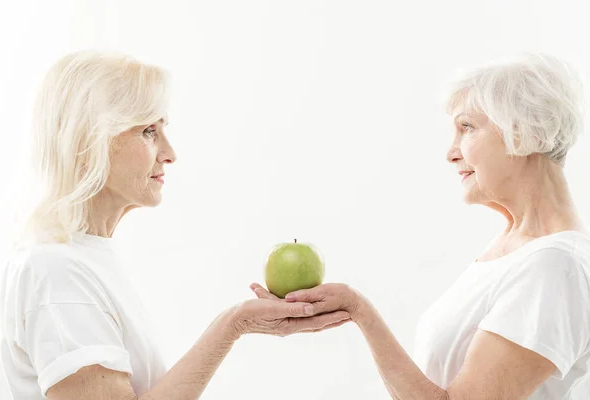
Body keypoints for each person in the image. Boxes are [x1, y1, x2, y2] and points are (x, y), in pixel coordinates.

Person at [0, 51, 351, 400]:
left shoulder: (82, 257)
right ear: (90, 142)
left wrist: (235, 323)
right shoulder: (56, 271)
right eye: (148, 130)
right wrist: (232, 325)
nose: (170, 152)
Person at [252, 53, 590, 399]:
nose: (451, 153)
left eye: (467, 128)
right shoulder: (516, 249)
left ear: (521, 129)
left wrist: (359, 310)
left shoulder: (554, 266)